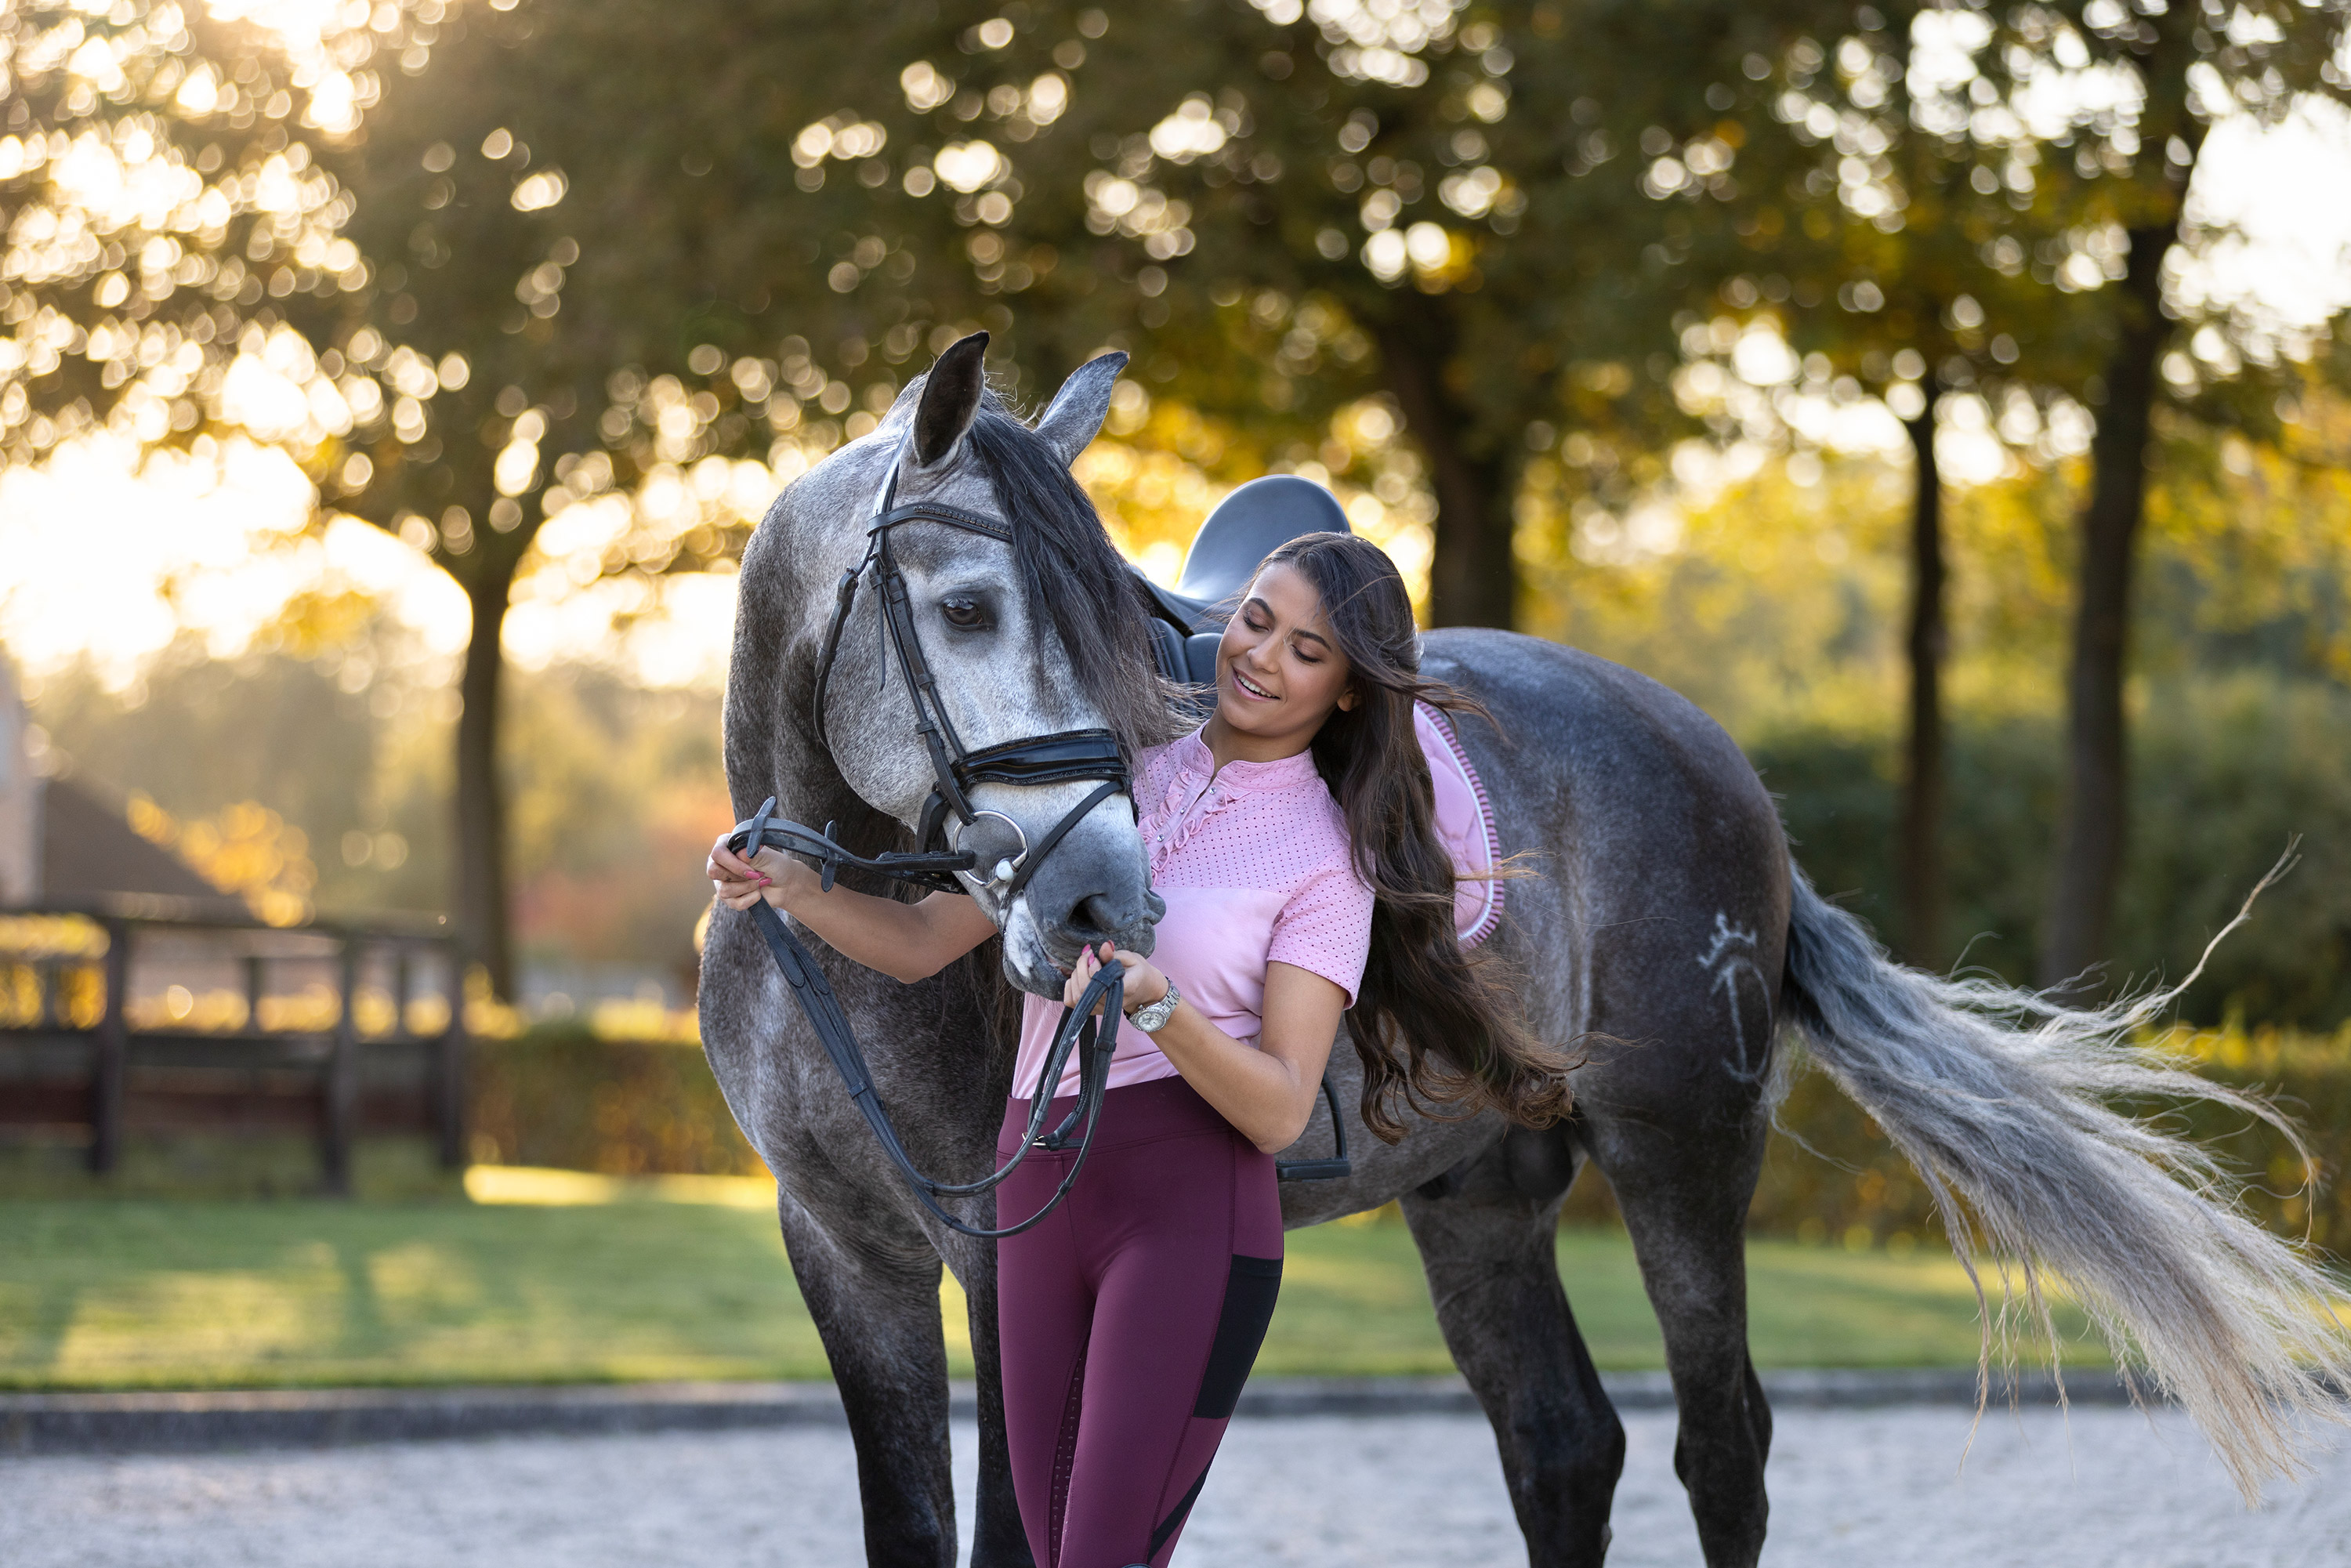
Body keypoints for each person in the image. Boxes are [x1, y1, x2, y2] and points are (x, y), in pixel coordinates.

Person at [708, 531, 1568, 1568]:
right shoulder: (1107, 778)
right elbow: (928, 939)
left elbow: (1283, 1106)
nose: (1261, 656)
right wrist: (797, 891)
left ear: (1347, 691)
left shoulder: (1328, 858)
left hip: (1187, 1215)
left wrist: (1161, 1006)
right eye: (1257, 619)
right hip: (1038, 1190)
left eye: (1307, 650)